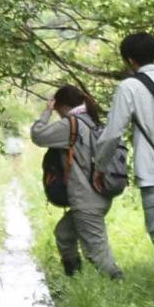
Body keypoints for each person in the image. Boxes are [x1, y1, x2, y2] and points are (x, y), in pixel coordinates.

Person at [92, 32, 154, 301]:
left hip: (152, 171)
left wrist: (100, 166)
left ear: (129, 60)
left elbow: (112, 134)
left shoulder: (130, 87)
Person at [30, 85, 125, 281]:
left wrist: (47, 111)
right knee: (64, 234)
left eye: (57, 110)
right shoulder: (94, 122)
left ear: (62, 106)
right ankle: (74, 279)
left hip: (86, 200)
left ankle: (118, 283)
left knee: (97, 253)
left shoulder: (71, 124)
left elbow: (38, 135)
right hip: (99, 196)